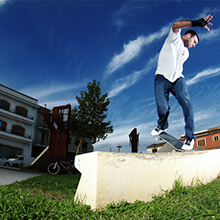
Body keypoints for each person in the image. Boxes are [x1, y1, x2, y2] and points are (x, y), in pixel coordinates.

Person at [151, 14, 213, 150]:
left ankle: (190, 138)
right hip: (162, 78)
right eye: (194, 42)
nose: (194, 46)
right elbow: (176, 25)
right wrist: (197, 23)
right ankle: (162, 125)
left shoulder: (187, 53)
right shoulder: (174, 39)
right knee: (163, 108)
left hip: (178, 79)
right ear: (188, 36)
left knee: (187, 103)